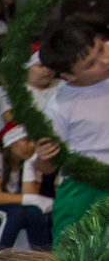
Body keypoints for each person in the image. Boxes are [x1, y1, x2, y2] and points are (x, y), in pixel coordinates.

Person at [35, 21, 109, 241]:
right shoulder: (59, 106)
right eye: (91, 64)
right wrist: (44, 156)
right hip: (84, 190)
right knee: (75, 256)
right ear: (69, 75)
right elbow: (47, 167)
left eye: (102, 48)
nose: (105, 61)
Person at [0, 121, 52, 250]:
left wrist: (29, 164)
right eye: (25, 140)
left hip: (13, 207)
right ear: (11, 142)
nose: (31, 145)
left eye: (33, 141)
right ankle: (1, 258)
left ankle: (42, 258)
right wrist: (32, 199)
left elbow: (30, 197)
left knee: (35, 212)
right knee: (16, 213)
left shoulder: (31, 160)